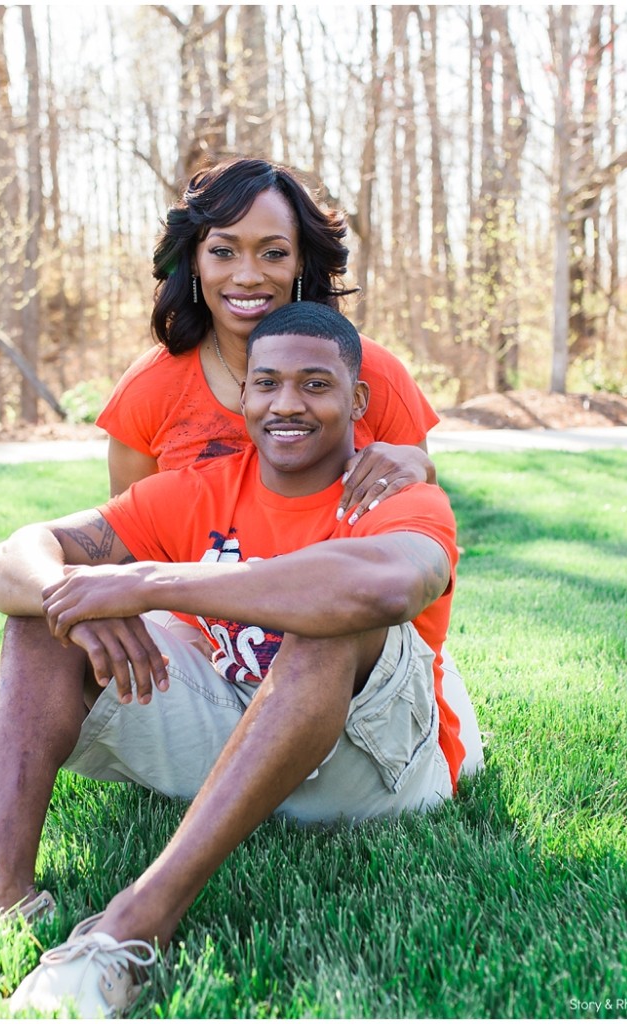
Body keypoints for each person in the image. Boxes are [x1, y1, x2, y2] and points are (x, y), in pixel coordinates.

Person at [0, 304, 474, 1018]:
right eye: (267, 383)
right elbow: (8, 560)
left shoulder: (398, 493)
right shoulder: (202, 488)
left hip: (376, 767)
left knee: (328, 616)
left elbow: (386, 585)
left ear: (357, 400)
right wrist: (78, 597)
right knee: (44, 613)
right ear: (243, 394)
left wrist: (148, 580)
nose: (286, 404)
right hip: (246, 728)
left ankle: (132, 927)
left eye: (315, 385)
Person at [97, 156, 483, 767]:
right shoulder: (150, 389)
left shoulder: (370, 372)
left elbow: (415, 514)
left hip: (346, 647)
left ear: (302, 261)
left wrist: (416, 463)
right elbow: (136, 538)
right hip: (209, 653)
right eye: (223, 252)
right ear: (193, 260)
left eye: (273, 253)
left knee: (322, 629)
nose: (247, 276)